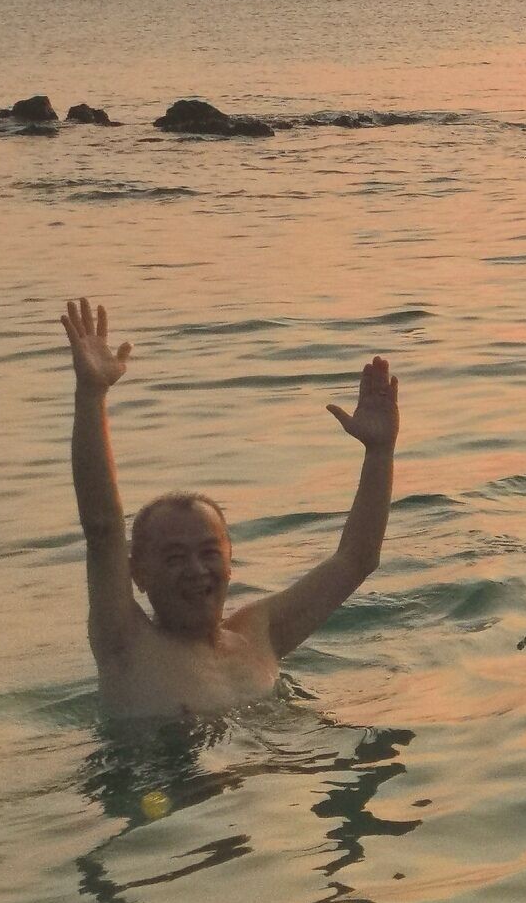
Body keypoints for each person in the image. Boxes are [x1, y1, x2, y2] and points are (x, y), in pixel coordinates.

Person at [61, 298, 400, 717]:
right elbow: (102, 528)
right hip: (159, 784)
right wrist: (91, 397)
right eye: (173, 558)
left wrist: (379, 452)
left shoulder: (259, 635)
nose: (196, 570)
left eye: (208, 553)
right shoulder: (126, 644)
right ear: (138, 573)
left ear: (230, 561)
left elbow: (356, 559)